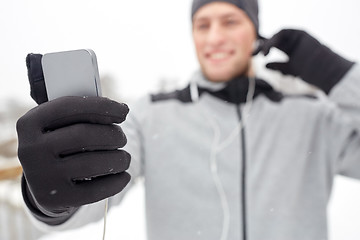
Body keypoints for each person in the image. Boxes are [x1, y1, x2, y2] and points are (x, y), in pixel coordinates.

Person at [16, 0, 360, 239]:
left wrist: (341, 77)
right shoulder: (151, 115)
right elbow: (100, 188)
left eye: (231, 22)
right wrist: (49, 196)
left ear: (255, 32)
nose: (214, 37)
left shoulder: (313, 115)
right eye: (202, 25)